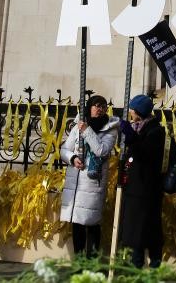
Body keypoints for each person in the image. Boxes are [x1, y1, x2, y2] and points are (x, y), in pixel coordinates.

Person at [60, 93, 120, 258]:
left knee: (92, 223)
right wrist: (72, 158)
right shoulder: (78, 126)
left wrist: (87, 131)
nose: (100, 109)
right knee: (77, 224)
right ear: (89, 108)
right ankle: (79, 261)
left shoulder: (110, 129)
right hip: (76, 183)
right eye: (97, 105)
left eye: (103, 106)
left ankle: (91, 262)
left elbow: (101, 150)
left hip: (92, 184)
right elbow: (64, 149)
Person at [118, 94, 167, 268]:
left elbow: (144, 154)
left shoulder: (155, 131)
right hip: (134, 188)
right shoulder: (138, 127)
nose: (130, 113)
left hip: (146, 190)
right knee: (134, 235)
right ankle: (136, 267)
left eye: (132, 110)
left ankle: (153, 267)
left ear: (139, 111)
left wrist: (131, 137)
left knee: (146, 233)